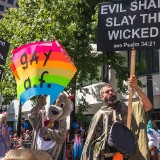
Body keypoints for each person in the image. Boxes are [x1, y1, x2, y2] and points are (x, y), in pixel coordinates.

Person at [80, 75, 153, 160]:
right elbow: (90, 142)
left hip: (125, 155)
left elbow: (148, 106)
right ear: (102, 97)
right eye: (107, 92)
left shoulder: (125, 108)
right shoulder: (99, 115)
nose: (111, 93)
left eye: (112, 91)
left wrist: (136, 86)